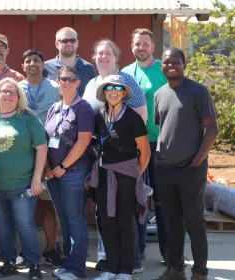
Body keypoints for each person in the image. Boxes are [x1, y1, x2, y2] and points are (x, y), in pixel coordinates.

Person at [153, 48, 218, 280]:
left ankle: (200, 272)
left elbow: (212, 129)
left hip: (191, 170)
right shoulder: (159, 94)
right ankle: (175, 269)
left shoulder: (198, 91)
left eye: (176, 62)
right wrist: (158, 157)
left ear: (184, 64)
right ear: (162, 66)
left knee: (194, 222)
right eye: (166, 62)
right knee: (173, 222)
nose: (171, 65)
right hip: (166, 170)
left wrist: (195, 164)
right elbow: (164, 128)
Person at [0, 78, 47, 280]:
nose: (7, 95)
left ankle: (33, 263)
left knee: (25, 225)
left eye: (12, 92)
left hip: (23, 185)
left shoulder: (28, 118)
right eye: (3, 91)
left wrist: (37, 178)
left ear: (19, 97)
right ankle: (9, 262)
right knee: (3, 226)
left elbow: (41, 148)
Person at [86, 75, 150, 280]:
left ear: (124, 93)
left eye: (117, 88)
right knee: (106, 221)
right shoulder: (99, 115)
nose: (113, 91)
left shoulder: (133, 118)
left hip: (127, 176)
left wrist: (133, 174)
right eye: (109, 88)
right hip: (104, 175)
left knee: (125, 221)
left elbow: (145, 152)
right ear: (104, 92)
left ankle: (125, 270)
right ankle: (110, 267)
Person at [121, 28, 169, 273]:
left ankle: (169, 252)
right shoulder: (126, 73)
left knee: (162, 199)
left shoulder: (164, 70)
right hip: (134, 146)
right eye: (137, 43)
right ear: (132, 46)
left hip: (160, 144)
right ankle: (137, 249)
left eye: (146, 44)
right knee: (138, 199)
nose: (141, 47)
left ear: (153, 47)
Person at [45, 66, 95, 280]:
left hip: (73, 171)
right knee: (64, 219)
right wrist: (48, 167)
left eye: (70, 79)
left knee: (75, 219)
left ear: (78, 82)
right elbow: (47, 140)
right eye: (62, 78)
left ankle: (77, 268)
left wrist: (63, 167)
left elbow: (84, 141)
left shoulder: (83, 107)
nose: (66, 82)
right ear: (58, 82)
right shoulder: (54, 108)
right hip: (53, 174)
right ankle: (68, 263)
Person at [18, 49, 62, 268]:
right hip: (22, 152)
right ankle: (23, 251)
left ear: (44, 65)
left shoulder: (55, 88)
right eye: (28, 61)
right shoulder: (17, 89)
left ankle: (52, 248)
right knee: (21, 204)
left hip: (48, 152)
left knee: (47, 202)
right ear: (23, 66)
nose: (32, 63)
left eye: (36, 60)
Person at [83, 39, 147, 120]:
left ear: (115, 58)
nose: (104, 56)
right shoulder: (91, 84)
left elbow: (142, 115)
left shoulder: (127, 80)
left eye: (108, 53)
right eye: (100, 53)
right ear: (95, 57)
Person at [43, 27, 97, 96]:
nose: (69, 43)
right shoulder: (46, 68)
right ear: (57, 44)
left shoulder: (89, 68)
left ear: (77, 43)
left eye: (72, 40)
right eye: (65, 40)